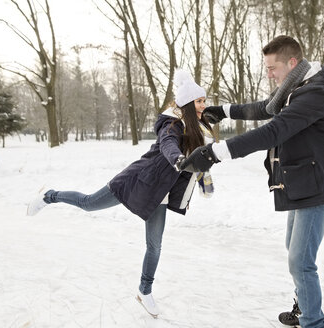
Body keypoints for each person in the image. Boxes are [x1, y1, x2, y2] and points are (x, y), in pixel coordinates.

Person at [180, 35, 324, 328]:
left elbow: (274, 130)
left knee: (300, 261)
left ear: (292, 63)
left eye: (272, 68)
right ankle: (304, 305)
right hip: (302, 182)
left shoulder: (317, 94)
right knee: (295, 251)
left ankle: (313, 322)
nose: (268, 74)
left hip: (316, 186)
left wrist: (214, 153)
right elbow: (264, 108)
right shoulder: (296, 88)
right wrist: (225, 110)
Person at [26, 69, 215, 319]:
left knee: (154, 245)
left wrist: (203, 179)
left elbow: (196, 161)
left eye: (204, 100)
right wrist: (178, 159)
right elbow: (169, 145)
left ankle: (144, 291)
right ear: (188, 104)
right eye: (200, 101)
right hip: (136, 180)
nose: (204, 105)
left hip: (158, 193)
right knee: (88, 203)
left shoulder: (196, 129)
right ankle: (49, 195)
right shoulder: (171, 126)